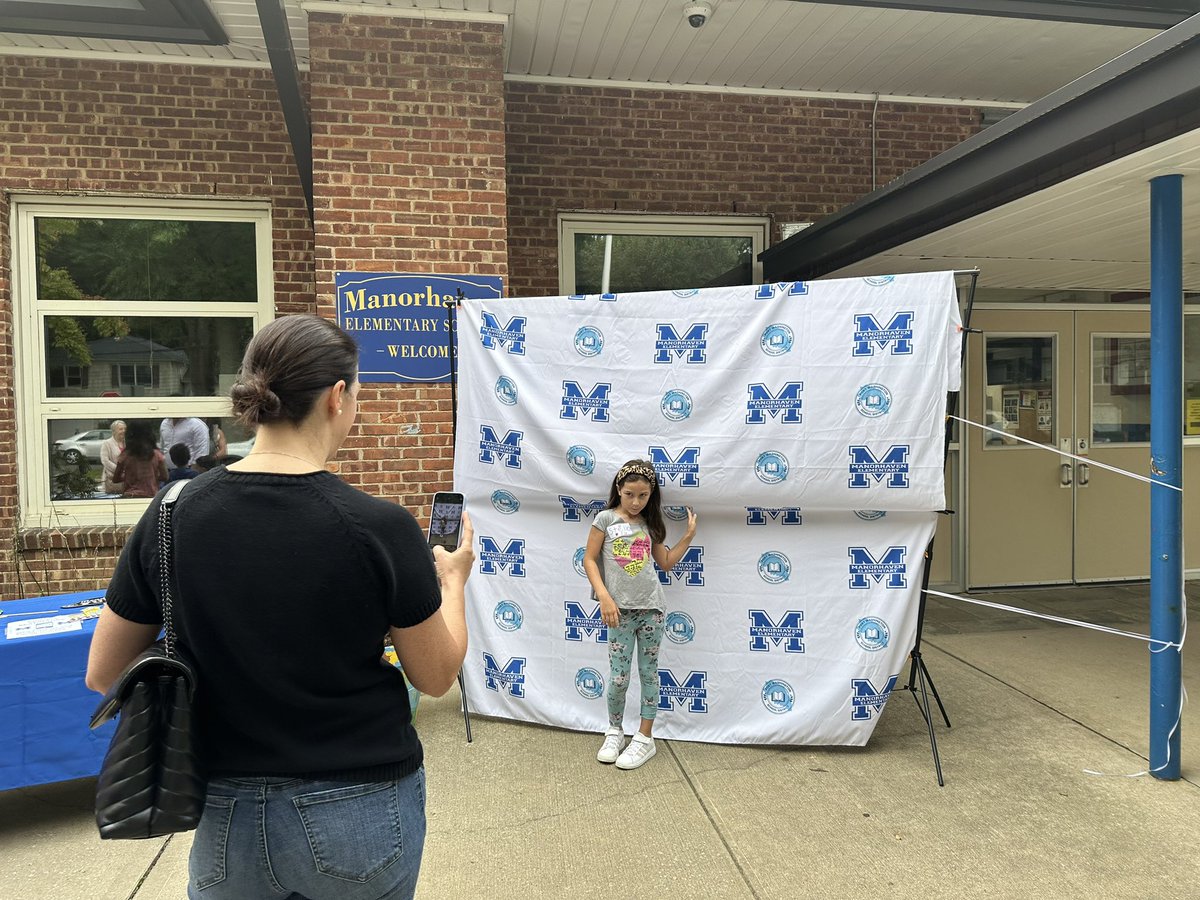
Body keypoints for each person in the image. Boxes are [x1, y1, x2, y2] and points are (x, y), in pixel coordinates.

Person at [87, 315, 474, 900]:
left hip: (224, 811)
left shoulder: (170, 513)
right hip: (360, 806)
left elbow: (103, 673)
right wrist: (454, 584)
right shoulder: (380, 527)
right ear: (337, 398)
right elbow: (437, 675)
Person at [583, 458, 697, 770]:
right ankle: (614, 730)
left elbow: (666, 562)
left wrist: (687, 535)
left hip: (652, 610)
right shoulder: (605, 519)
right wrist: (604, 596)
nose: (636, 501)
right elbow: (589, 560)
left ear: (651, 495)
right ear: (618, 489)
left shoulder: (650, 525)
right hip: (618, 611)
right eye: (630, 494)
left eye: (643, 495)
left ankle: (645, 738)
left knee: (649, 673)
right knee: (619, 676)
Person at [112, 420, 168, 498]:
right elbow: (165, 476)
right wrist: (151, 477)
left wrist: (128, 476)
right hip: (150, 496)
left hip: (130, 496)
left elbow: (115, 479)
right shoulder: (156, 454)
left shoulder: (125, 455)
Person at [100, 419, 126, 494]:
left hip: (126, 481)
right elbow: (105, 460)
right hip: (111, 480)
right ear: (114, 431)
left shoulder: (127, 443)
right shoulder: (107, 443)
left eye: (125, 429)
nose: (123, 431)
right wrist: (119, 470)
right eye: (121, 429)